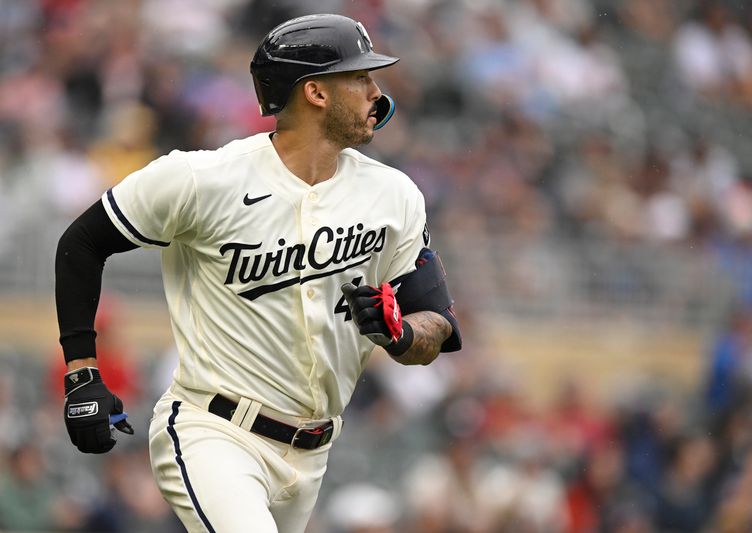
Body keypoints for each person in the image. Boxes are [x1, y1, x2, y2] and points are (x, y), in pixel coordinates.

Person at [54, 13, 461, 533]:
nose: (375, 93)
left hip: (313, 453)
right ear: (315, 92)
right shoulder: (204, 179)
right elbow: (82, 242)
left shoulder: (394, 194)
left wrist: (400, 333)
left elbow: (437, 324)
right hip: (215, 431)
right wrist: (82, 371)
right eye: (360, 77)